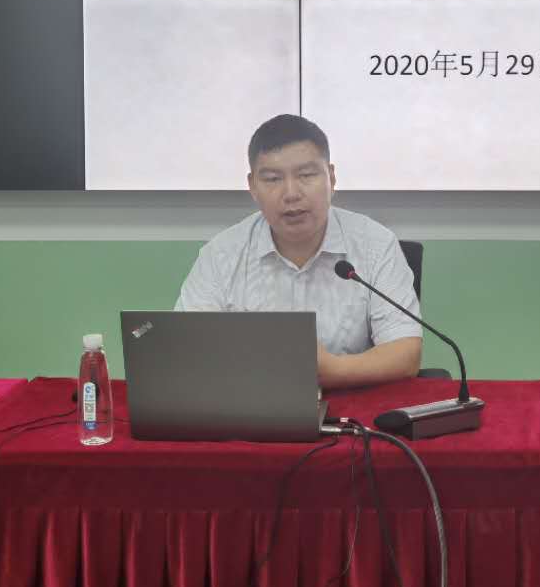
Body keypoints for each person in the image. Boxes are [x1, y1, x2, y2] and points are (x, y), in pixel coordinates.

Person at [176, 114, 423, 389]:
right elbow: (188, 348)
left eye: (306, 175)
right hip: (250, 401)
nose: (291, 193)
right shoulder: (220, 255)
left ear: (331, 177)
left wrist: (334, 371)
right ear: (252, 186)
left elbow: (405, 352)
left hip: (351, 402)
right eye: (272, 179)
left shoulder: (375, 245)